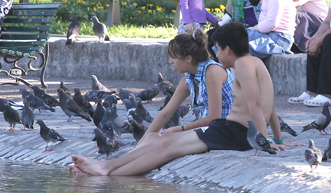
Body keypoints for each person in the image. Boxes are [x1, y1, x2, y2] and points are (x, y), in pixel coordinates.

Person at [69, 23, 288, 177]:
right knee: (164, 141)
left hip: (235, 132)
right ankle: (106, 168)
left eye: (218, 50)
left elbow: (256, 105)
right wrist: (277, 139)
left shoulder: (240, 65)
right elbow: (270, 106)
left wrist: (264, 141)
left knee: (168, 145)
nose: (217, 55)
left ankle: (106, 171)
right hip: (230, 129)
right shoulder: (256, 62)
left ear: (227, 49)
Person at [150, 31, 234, 136]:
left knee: (167, 141)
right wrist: (145, 139)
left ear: (189, 59)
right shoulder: (189, 78)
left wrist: (180, 129)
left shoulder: (212, 72)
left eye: (174, 57)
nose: (170, 61)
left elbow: (214, 117)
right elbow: (165, 113)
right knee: (155, 141)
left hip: (227, 131)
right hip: (210, 130)